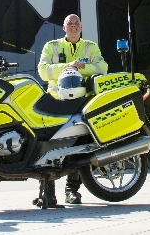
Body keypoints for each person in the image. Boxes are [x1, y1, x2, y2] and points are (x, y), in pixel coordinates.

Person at [37, 14, 108, 206]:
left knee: (79, 143)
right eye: (70, 23)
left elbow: (102, 67)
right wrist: (67, 67)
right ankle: (47, 192)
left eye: (77, 23)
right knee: (48, 144)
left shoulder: (90, 46)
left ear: (81, 27)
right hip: (54, 100)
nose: (74, 26)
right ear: (63, 27)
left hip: (81, 101)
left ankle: (72, 190)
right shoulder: (51, 46)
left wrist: (80, 68)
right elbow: (43, 71)